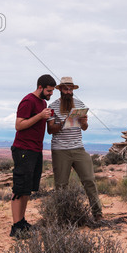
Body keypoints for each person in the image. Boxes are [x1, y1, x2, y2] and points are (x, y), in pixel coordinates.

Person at [47, 76, 103, 220]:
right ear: (60, 90)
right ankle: (61, 217)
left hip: (78, 148)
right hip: (60, 150)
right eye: (65, 89)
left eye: (70, 89)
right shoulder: (52, 106)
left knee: (89, 180)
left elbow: (84, 128)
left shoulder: (79, 104)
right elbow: (50, 129)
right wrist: (63, 123)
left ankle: (97, 214)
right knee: (61, 185)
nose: (68, 91)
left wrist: (84, 122)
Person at [9, 74, 56, 237]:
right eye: (49, 91)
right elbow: (19, 125)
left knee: (27, 189)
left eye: (52, 92)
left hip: (36, 150)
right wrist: (40, 116)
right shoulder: (28, 101)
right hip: (23, 150)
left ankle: (22, 222)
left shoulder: (43, 103)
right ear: (40, 87)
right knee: (19, 189)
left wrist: (50, 118)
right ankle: (16, 227)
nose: (51, 95)